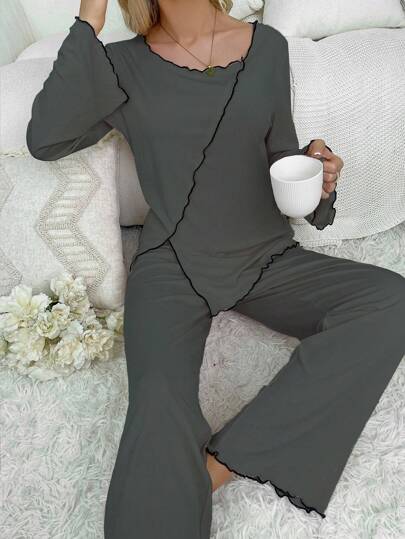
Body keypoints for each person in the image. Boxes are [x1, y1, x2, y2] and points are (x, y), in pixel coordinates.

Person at [26, 0, 405, 537]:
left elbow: (278, 157)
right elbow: (46, 137)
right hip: (171, 267)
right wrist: (89, 17)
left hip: (267, 257)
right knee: (157, 406)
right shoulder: (118, 64)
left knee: (391, 303)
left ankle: (211, 470)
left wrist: (316, 175)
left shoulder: (267, 48)